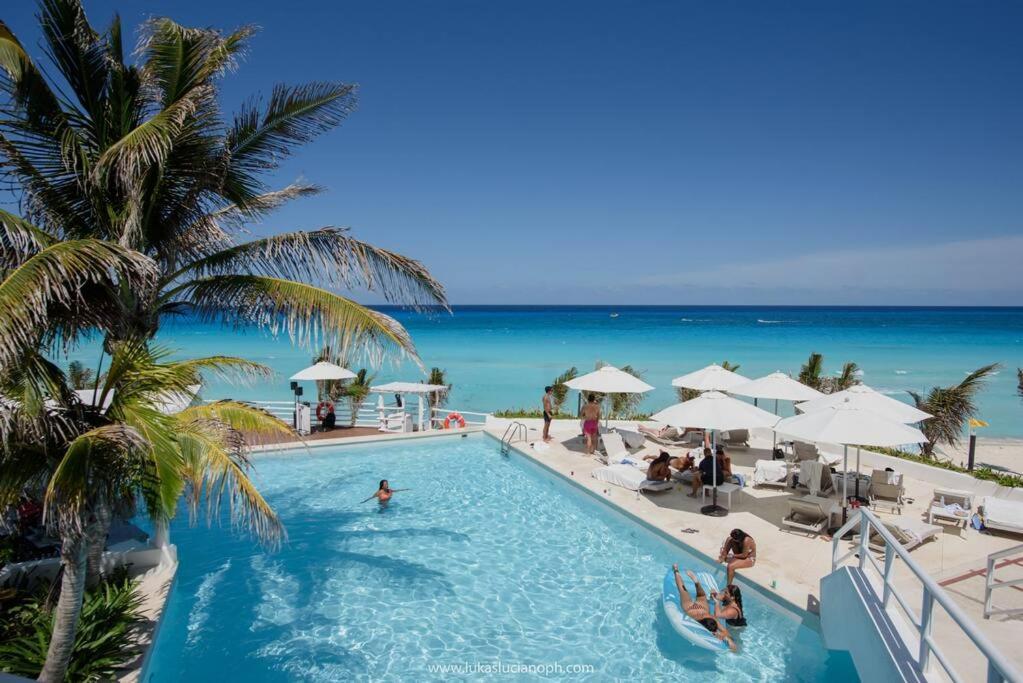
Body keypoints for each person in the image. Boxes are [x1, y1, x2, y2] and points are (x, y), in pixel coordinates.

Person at [672, 565, 738, 652]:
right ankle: (676, 570)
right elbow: (729, 638)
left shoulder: (712, 618)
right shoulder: (700, 624)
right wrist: (723, 636)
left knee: (699, 595)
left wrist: (724, 635)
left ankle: (688, 577)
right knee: (682, 589)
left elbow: (726, 633)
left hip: (702, 608)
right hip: (690, 608)